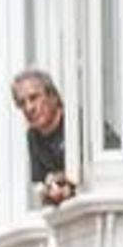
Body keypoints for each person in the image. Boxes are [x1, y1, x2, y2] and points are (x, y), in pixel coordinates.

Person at [12, 68, 76, 205]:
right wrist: (48, 191)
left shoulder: (75, 123)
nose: (29, 108)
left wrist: (62, 178)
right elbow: (40, 186)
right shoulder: (33, 136)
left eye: (34, 98)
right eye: (22, 103)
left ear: (53, 96)